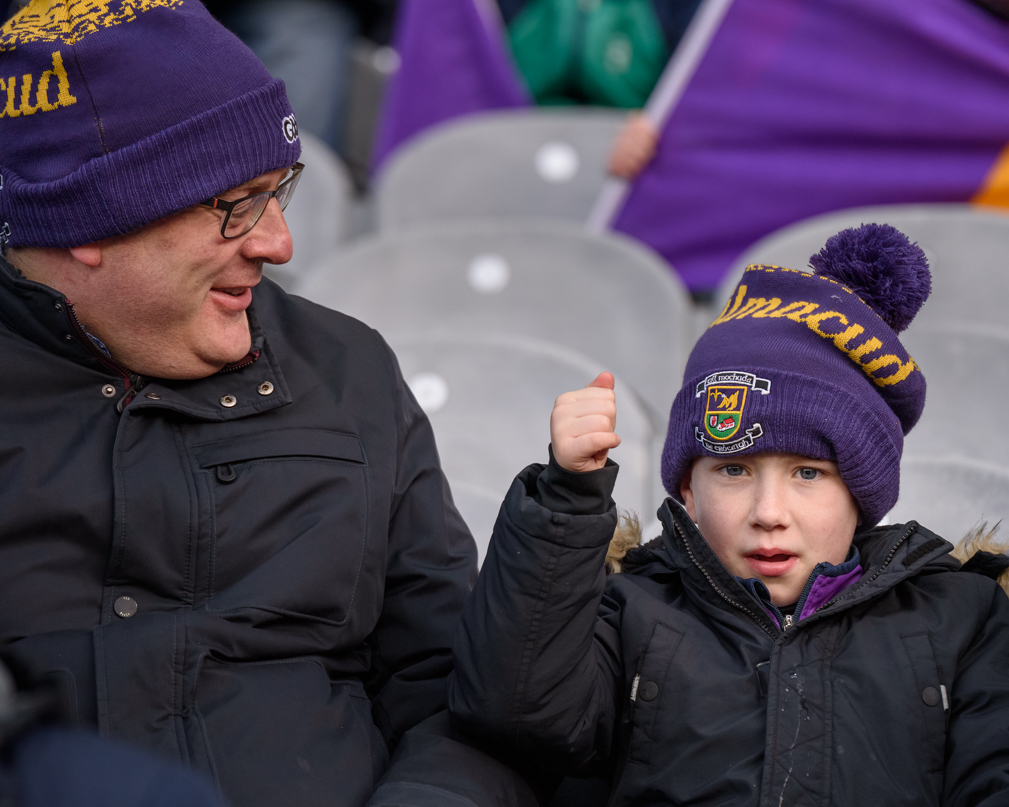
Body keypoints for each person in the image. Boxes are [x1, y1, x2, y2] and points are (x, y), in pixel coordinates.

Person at [0, 2, 537, 806]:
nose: (278, 241)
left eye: (279, 189)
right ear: (92, 218)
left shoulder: (346, 369)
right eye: (236, 202)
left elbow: (457, 691)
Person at [449, 224, 1009, 805]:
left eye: (808, 474)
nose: (769, 513)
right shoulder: (627, 609)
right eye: (734, 471)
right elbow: (511, 712)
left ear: (863, 496)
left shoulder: (964, 620)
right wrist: (567, 499)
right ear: (688, 488)